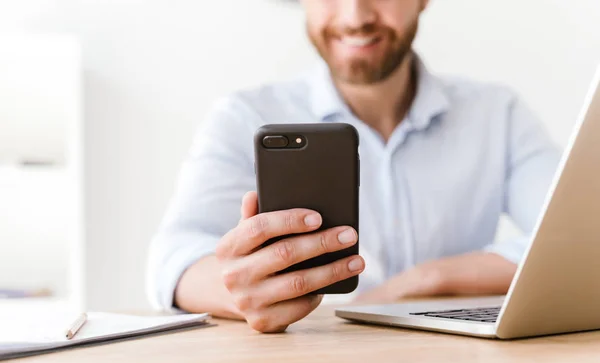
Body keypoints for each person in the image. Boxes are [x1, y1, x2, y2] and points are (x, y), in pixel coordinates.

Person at [147, 0, 560, 333]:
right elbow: (172, 260)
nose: (355, 16)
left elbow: (575, 239)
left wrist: (427, 280)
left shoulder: (497, 113)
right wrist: (240, 289)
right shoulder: (243, 116)